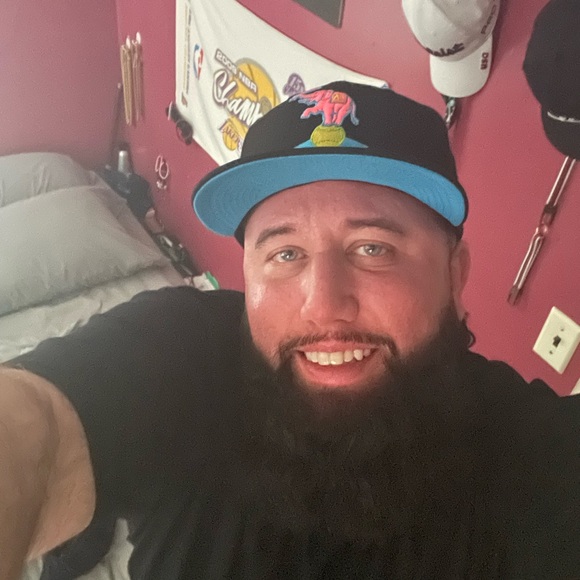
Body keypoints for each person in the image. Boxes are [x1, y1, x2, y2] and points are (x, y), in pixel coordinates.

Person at [2, 81, 579, 579]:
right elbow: (38, 426)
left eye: (373, 248)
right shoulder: (186, 356)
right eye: (285, 253)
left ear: (455, 275)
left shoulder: (532, 457)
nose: (322, 306)